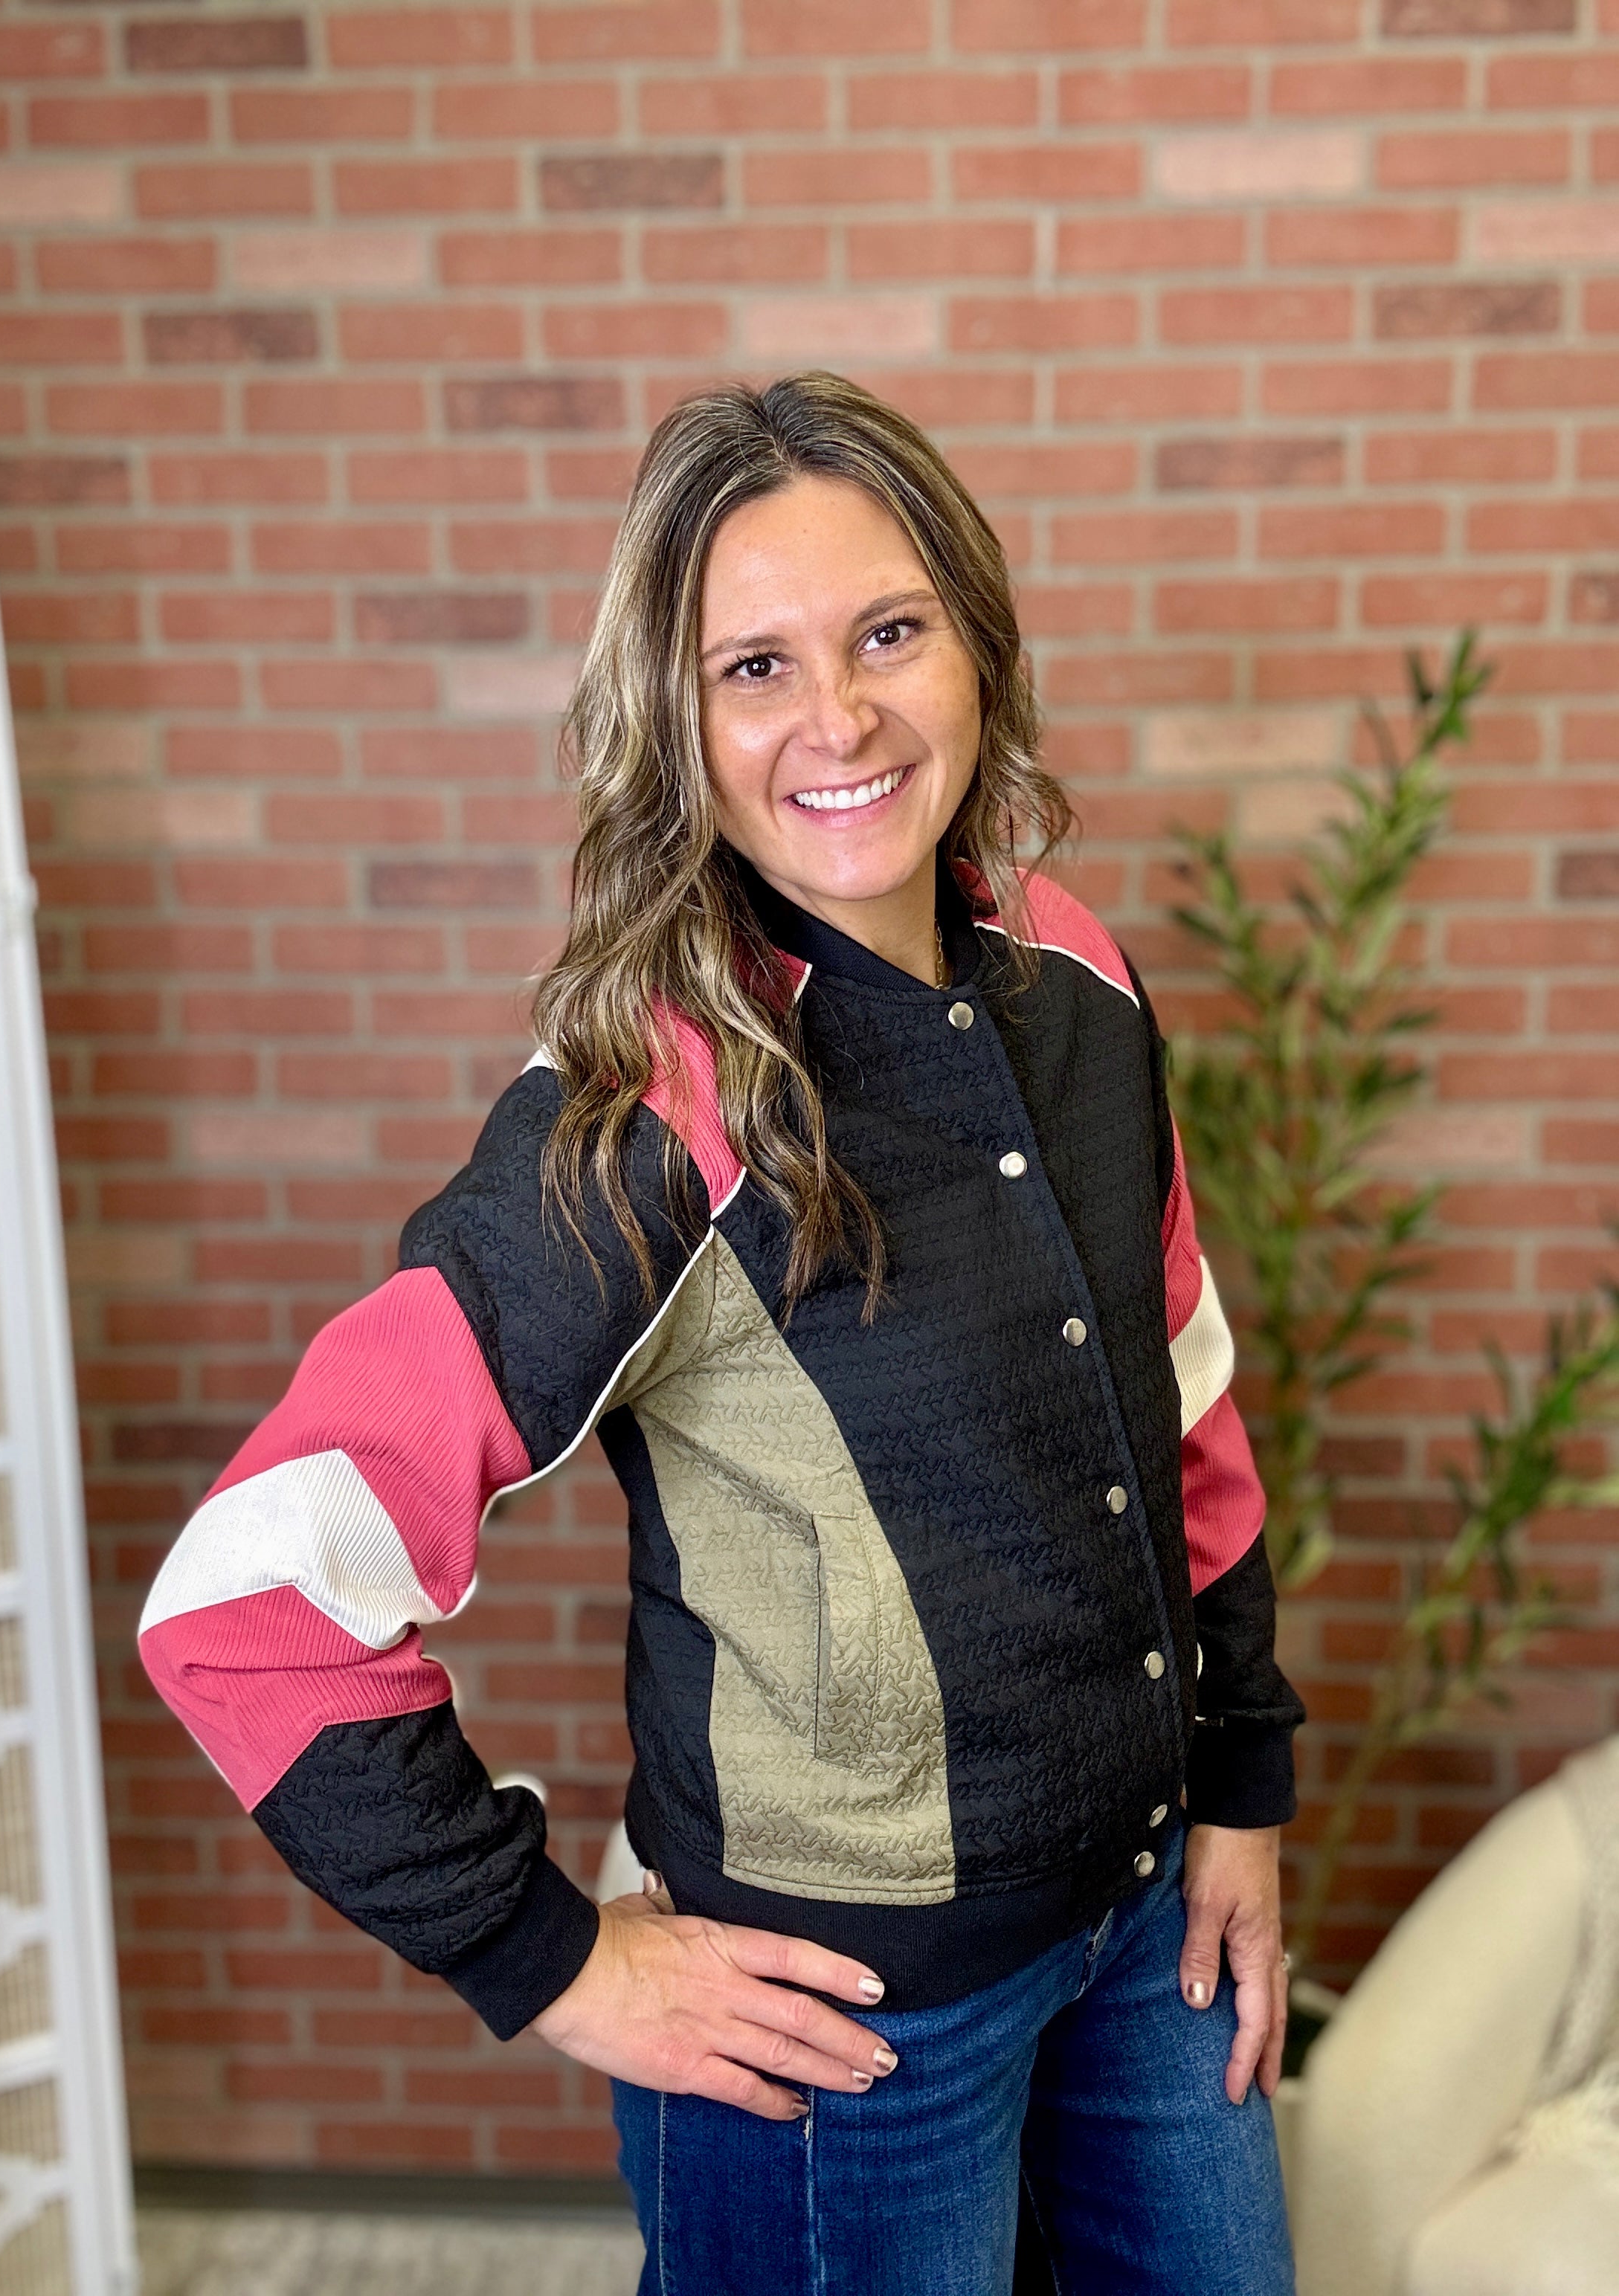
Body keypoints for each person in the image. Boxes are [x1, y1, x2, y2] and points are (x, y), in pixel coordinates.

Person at [141, 371, 1304, 2295]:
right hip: (845, 2037)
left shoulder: (1074, 970)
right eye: (752, 667)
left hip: (1152, 1929)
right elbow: (247, 1601)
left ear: (977, 646)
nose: (836, 718)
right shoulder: (643, 1115)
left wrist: (1242, 1787)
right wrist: (551, 1959)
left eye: (887, 633)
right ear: (672, 727)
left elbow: (1179, 1394)